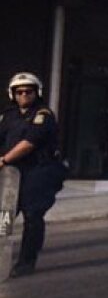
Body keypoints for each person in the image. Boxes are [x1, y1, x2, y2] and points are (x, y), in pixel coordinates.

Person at [0, 72, 67, 277]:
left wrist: (4, 159)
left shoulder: (43, 115)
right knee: (4, 215)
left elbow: (29, 143)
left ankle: (26, 262)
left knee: (32, 215)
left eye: (28, 91)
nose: (23, 95)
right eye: (19, 92)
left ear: (36, 92)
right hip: (12, 173)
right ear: (12, 94)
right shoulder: (8, 115)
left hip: (39, 172)